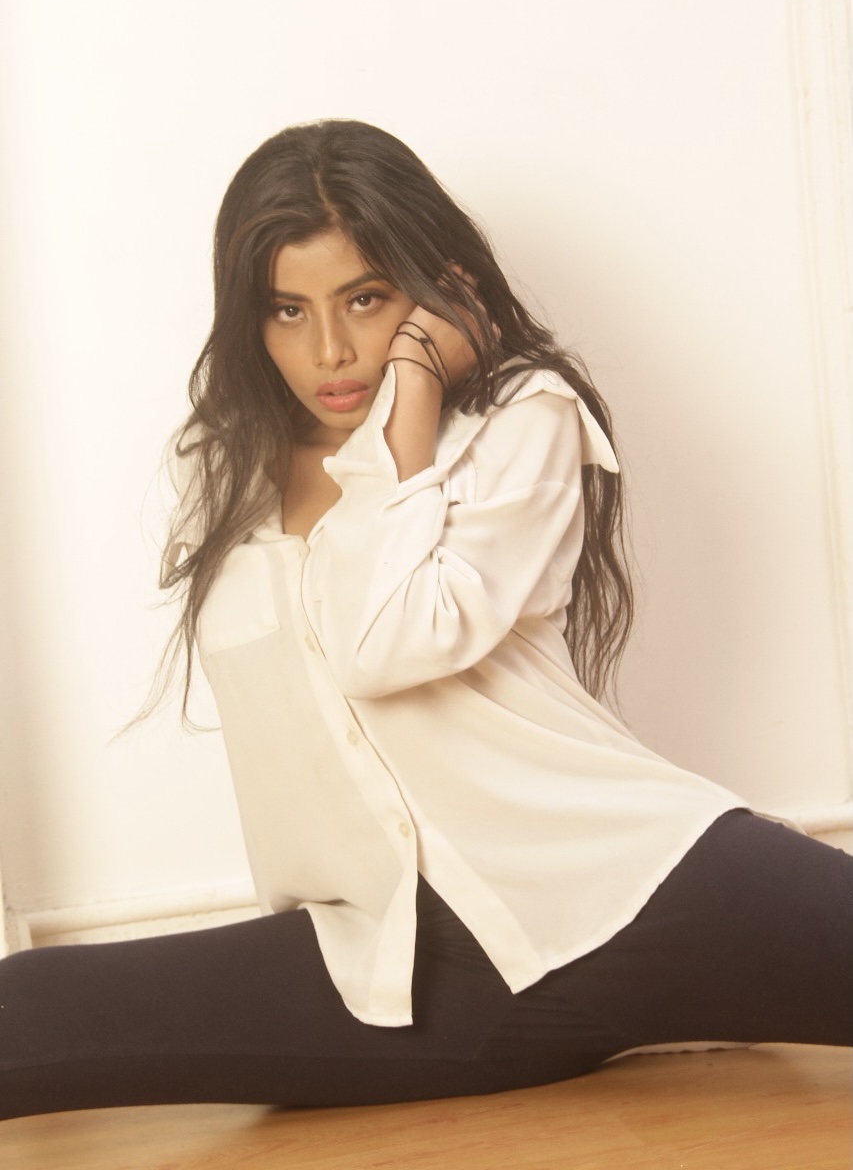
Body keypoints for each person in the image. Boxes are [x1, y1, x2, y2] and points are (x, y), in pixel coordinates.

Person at [1, 120, 850, 1122]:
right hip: (402, 965)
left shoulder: (517, 421)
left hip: (635, 883)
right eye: (287, 309)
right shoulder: (222, 469)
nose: (329, 350)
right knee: (31, 1010)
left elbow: (383, 647)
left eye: (365, 298)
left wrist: (405, 419)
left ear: (435, 289)